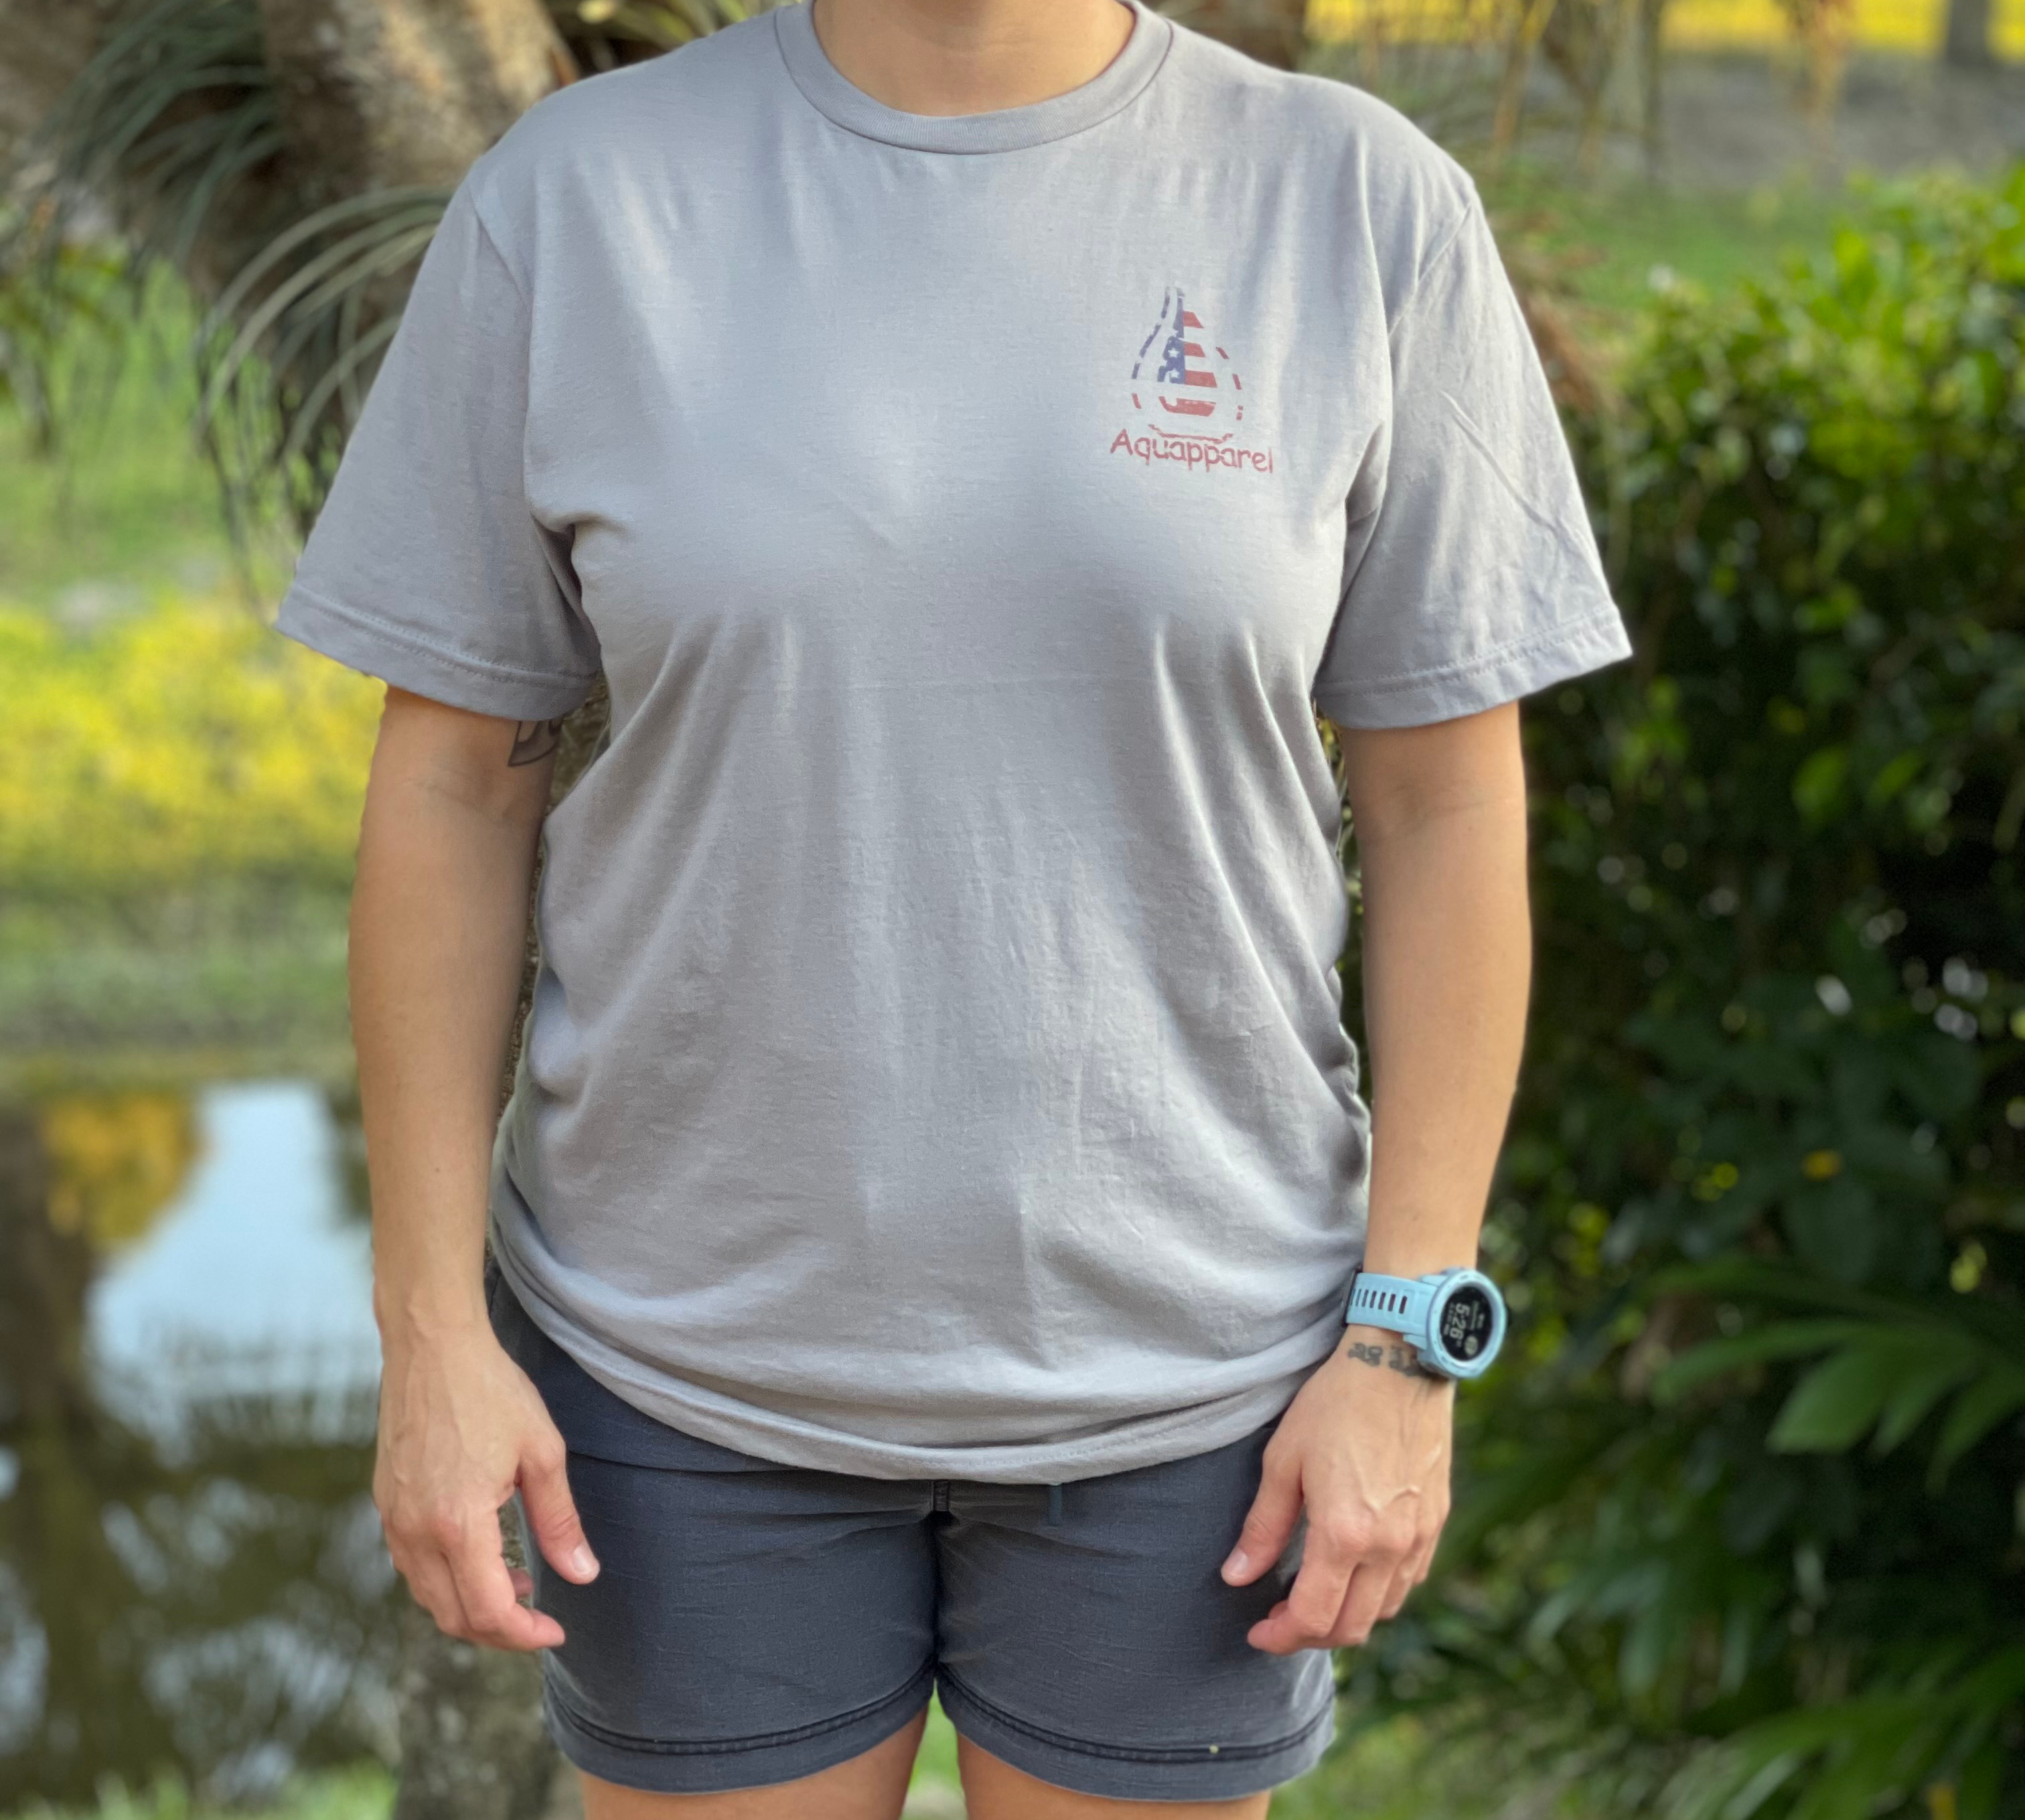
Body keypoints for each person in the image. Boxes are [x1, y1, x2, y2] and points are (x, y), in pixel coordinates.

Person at [273, 0, 1635, 1811]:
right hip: (678, 1379)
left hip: (1197, 1388)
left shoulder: (1356, 204)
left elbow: (1448, 807)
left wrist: (1406, 1339)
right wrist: (433, 1336)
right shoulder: (577, 200)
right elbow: (452, 789)